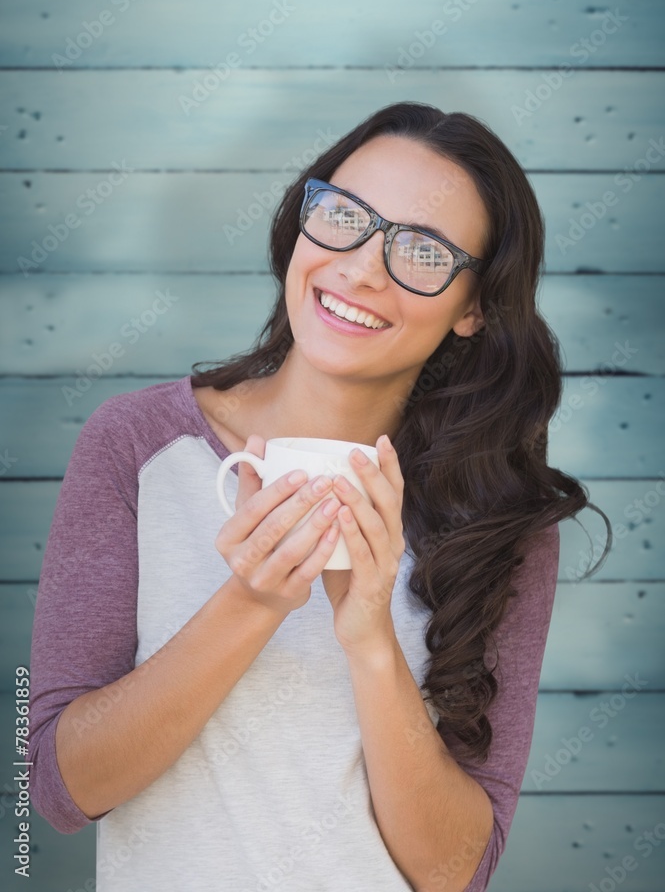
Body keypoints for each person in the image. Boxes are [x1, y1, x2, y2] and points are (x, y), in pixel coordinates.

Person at [28, 101, 610, 892]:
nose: (362, 269)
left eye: (424, 252)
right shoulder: (135, 445)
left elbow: (456, 872)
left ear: (473, 306)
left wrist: (370, 639)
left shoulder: (501, 525)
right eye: (344, 216)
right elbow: (61, 790)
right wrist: (251, 603)